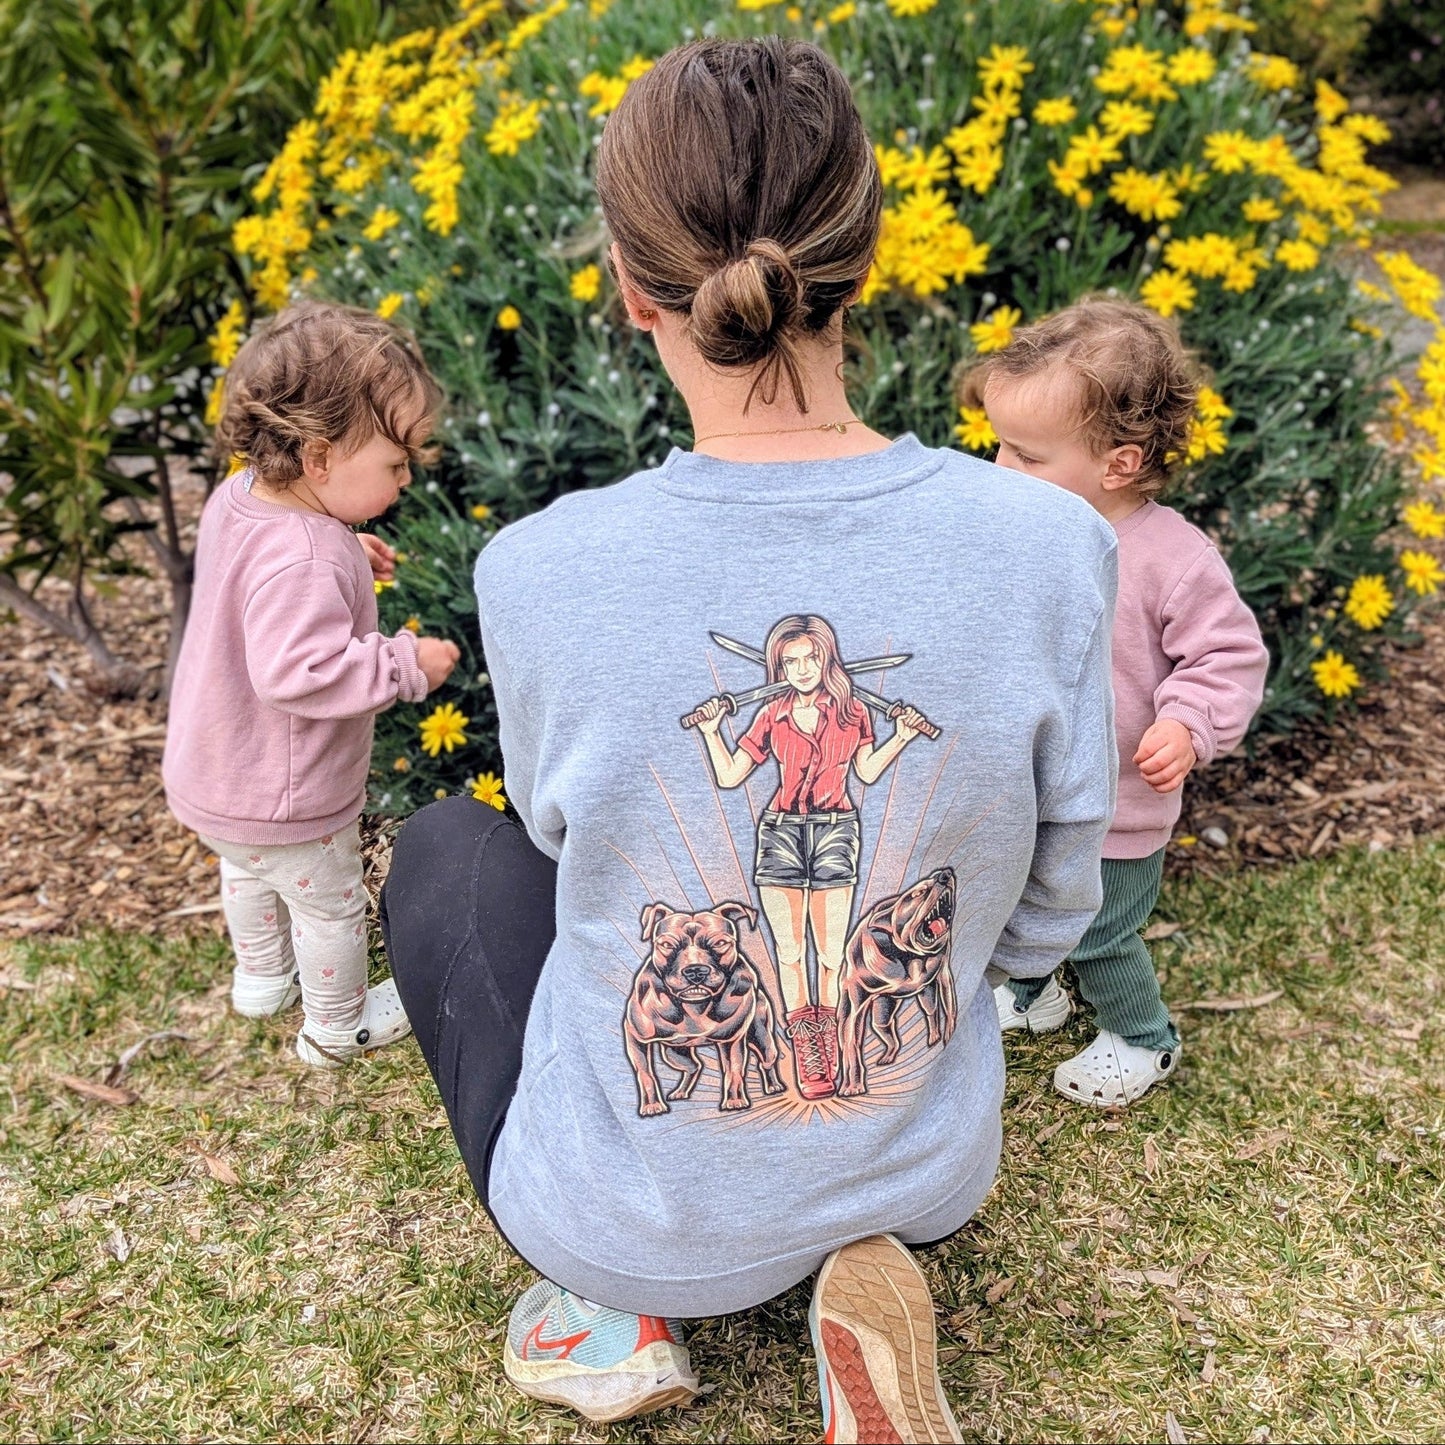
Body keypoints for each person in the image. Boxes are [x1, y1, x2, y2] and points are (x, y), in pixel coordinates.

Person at [380, 38, 1116, 1441]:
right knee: (808, 951)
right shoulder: (1050, 544)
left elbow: (553, 839)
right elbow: (1054, 895)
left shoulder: (540, 568)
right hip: (927, 1168)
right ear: (869, 253)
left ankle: (608, 1307)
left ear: (624, 281)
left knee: (446, 858)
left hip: (643, 1215)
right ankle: (856, 1248)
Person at [962, 297, 1269, 1107]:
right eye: (999, 444)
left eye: (1026, 455)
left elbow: (1226, 656)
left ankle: (1141, 1035)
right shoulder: (1025, 534)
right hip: (1032, 786)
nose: (1000, 467)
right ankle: (1036, 994)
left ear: (1119, 464)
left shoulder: (1174, 559)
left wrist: (1185, 722)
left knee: (1097, 928)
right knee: (1019, 901)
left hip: (1121, 803)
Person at [163, 302, 461, 1069]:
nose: (405, 479)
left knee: (246, 872)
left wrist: (343, 548)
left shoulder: (240, 497)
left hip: (216, 774)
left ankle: (262, 977)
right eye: (396, 465)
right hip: (285, 797)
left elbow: (257, 580)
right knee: (329, 904)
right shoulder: (308, 556)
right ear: (320, 458)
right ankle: (337, 1022)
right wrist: (403, 664)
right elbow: (300, 671)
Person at [690, 612, 929, 1099]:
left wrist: (901, 737)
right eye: (791, 661)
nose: (802, 669)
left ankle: (835, 1039)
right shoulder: (771, 714)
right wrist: (713, 730)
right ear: (779, 665)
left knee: (833, 951)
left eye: (811, 658)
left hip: (835, 831)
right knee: (791, 951)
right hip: (780, 833)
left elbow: (864, 772)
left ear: (827, 659)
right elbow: (732, 775)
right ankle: (808, 1050)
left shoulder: (852, 713)